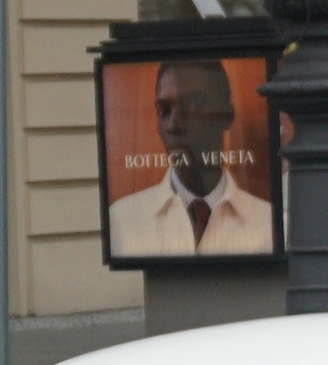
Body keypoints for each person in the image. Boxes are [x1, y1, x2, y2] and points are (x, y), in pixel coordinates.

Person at [107, 60, 271, 256]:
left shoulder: (268, 221)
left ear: (227, 115)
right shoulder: (122, 220)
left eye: (192, 107)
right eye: (164, 111)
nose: (173, 125)